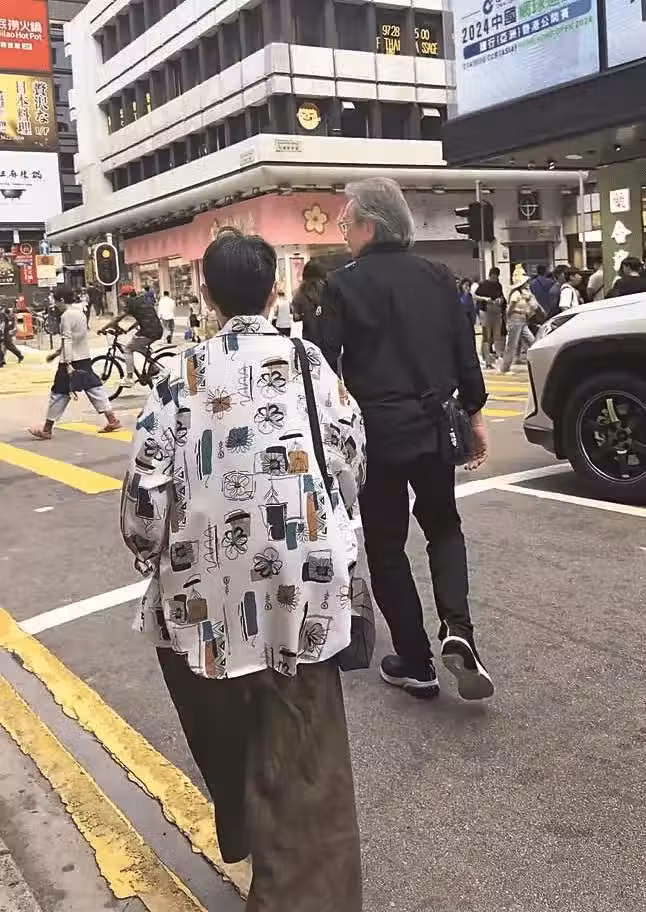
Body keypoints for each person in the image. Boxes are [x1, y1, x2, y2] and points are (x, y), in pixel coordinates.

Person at [120, 230, 365, 912]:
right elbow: (349, 461)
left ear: (205, 294)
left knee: (224, 727)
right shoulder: (310, 364)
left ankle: (248, 819)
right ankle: (301, 875)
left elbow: (145, 496)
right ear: (273, 291)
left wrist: (149, 549)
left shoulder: (179, 376)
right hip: (302, 589)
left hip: (203, 602)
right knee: (307, 757)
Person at [319, 177, 493, 701]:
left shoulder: (342, 284)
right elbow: (465, 353)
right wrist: (475, 417)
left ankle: (416, 661)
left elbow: (322, 364)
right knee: (444, 527)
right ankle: (458, 630)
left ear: (370, 226)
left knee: (387, 544)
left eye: (347, 222)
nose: (344, 232)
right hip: (436, 423)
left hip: (377, 434)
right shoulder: (438, 276)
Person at [28, 288, 121, 439]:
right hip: (83, 357)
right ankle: (112, 419)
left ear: (61, 300)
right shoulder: (80, 313)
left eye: (55, 301)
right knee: (93, 387)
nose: (54, 304)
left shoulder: (66, 316)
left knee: (59, 392)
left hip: (71, 360)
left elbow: (67, 339)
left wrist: (66, 362)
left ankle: (46, 429)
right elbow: (76, 338)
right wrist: (57, 353)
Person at [99, 286, 163, 387]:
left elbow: (117, 319)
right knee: (137, 344)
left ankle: (129, 378)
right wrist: (128, 329)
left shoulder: (131, 303)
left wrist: (103, 328)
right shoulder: (143, 300)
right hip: (157, 330)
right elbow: (140, 319)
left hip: (148, 332)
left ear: (128, 295)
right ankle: (153, 367)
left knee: (128, 349)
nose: (122, 300)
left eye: (123, 297)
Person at [499, 265, 540, 374]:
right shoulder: (516, 294)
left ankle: (537, 361)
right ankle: (505, 368)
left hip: (523, 319)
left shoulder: (525, 293)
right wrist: (508, 319)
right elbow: (510, 309)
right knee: (512, 345)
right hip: (515, 319)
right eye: (526, 282)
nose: (527, 283)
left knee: (532, 341)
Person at [473, 266, 506, 368]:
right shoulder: (483, 284)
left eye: (496, 277)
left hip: (497, 312)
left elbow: (501, 296)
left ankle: (498, 356)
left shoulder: (498, 285)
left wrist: (500, 300)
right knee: (486, 336)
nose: (494, 279)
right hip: (485, 312)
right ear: (490, 275)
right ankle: (487, 360)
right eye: (493, 277)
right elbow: (474, 296)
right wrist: (485, 299)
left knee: (497, 336)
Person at [292, 259, 327, 343]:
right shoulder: (329, 289)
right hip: (328, 339)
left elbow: (296, 317)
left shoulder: (300, 293)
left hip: (309, 339)